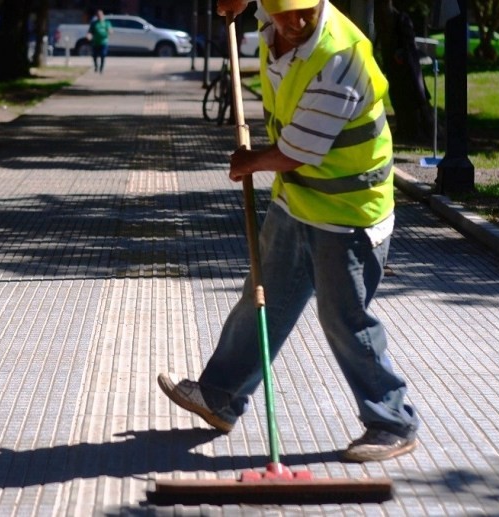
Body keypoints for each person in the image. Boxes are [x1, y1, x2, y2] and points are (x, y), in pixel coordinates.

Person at [158, 0, 420, 462]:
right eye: (285, 14)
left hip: (349, 209)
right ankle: (220, 395)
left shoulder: (340, 58)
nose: (296, 24)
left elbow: (298, 151)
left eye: (305, 12)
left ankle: (392, 422)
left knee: (344, 320)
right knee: (263, 298)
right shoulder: (273, 17)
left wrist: (251, 162)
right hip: (298, 198)